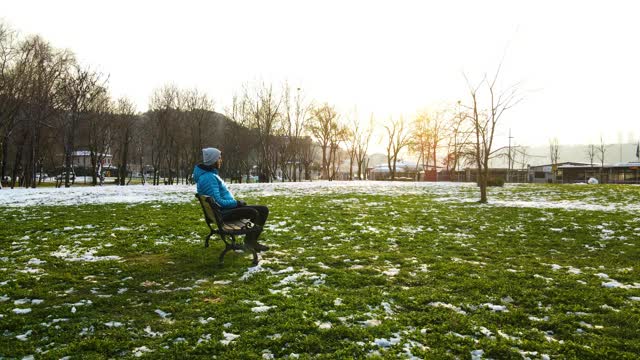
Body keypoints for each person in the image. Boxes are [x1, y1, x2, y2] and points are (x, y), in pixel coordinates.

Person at [193, 147, 269, 252]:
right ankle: (250, 242)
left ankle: (251, 241)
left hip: (221, 212)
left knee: (260, 209)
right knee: (261, 211)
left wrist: (236, 203)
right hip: (224, 213)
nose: (221, 160)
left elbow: (216, 201)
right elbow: (219, 202)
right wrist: (236, 203)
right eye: (219, 158)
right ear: (213, 160)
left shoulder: (208, 175)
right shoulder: (208, 178)